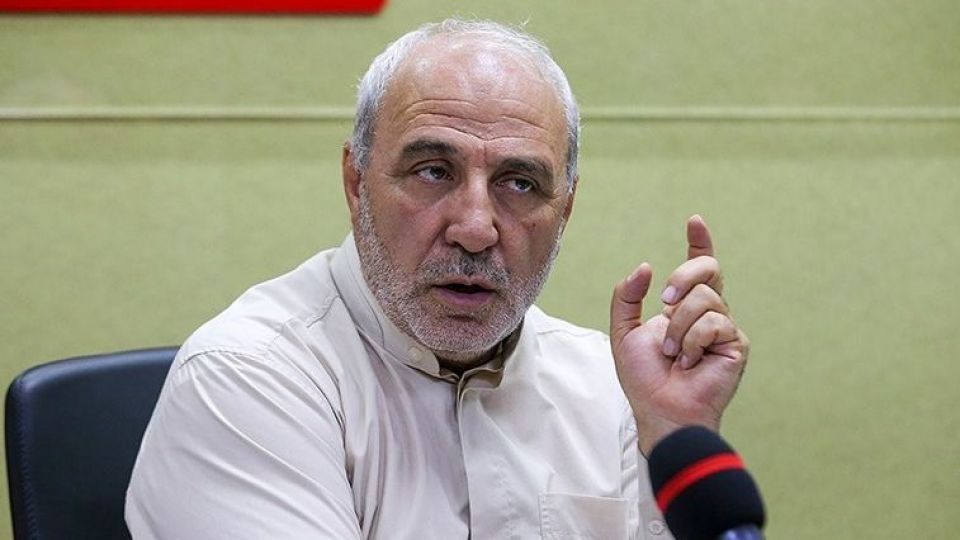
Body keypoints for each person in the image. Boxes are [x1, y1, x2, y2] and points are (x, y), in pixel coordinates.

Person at [126, 19, 748, 540]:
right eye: (433, 171)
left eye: (519, 183)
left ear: (565, 209)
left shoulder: (615, 390)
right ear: (356, 183)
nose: (475, 228)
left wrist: (672, 437)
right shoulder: (247, 377)